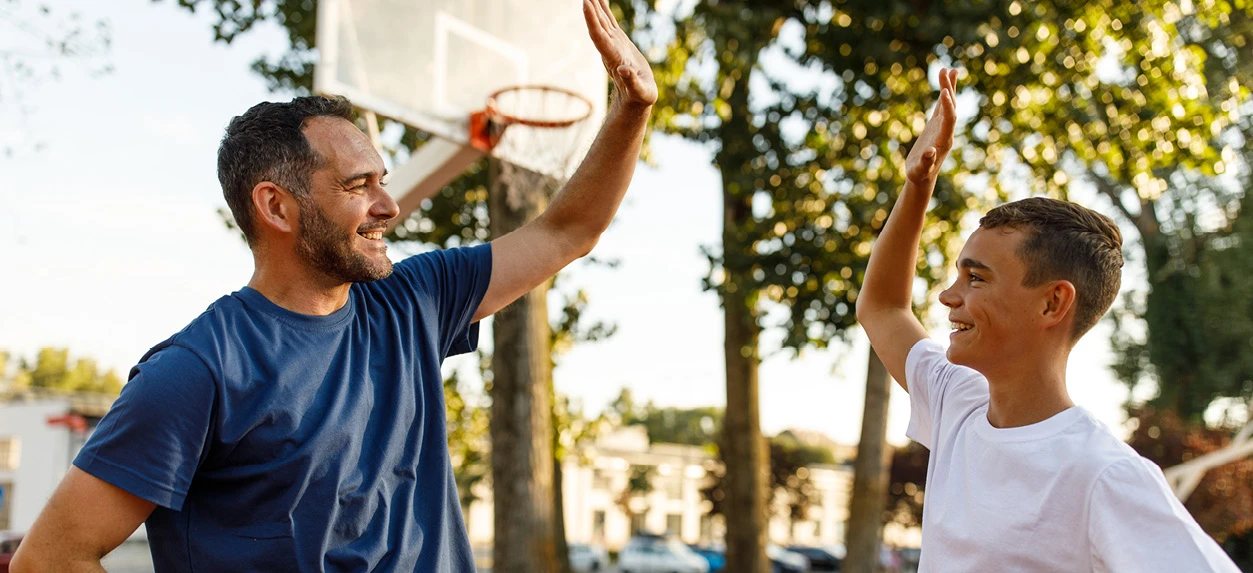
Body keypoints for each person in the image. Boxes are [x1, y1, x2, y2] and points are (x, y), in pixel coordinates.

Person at [10, 0, 655, 570]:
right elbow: (50, 558)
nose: (388, 206)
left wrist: (631, 109)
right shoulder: (197, 371)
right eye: (358, 186)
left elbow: (568, 230)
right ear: (278, 207)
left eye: (381, 180)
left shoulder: (414, 300)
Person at [856, 68, 1239, 572]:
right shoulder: (959, 403)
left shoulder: (1103, 475)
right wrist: (919, 183)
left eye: (977, 279)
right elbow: (882, 307)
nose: (949, 297)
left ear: (1053, 303)